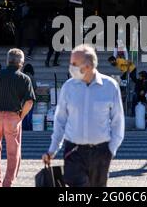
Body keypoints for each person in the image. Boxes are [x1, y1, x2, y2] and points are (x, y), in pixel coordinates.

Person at [42, 44, 125, 187]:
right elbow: (60, 120)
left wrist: (111, 150)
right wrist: (52, 150)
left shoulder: (110, 86)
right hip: (74, 152)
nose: (70, 67)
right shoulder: (68, 87)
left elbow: (118, 121)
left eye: (74, 63)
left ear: (88, 65)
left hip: (101, 152)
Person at [0, 48, 35, 187]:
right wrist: (21, 116)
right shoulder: (25, 78)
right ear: (22, 63)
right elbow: (29, 101)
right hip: (13, 117)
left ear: (7, 61)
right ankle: (8, 183)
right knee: (13, 153)